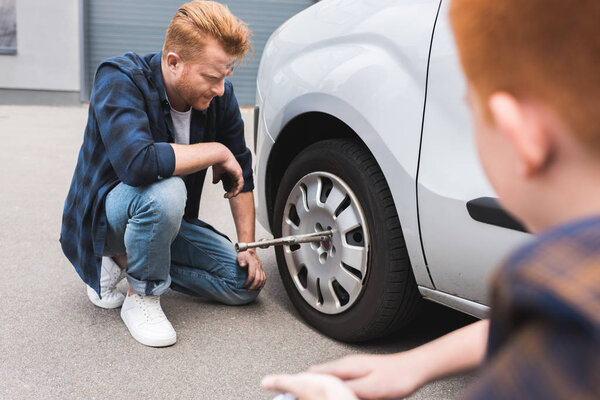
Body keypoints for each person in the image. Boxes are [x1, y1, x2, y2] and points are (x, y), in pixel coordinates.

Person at [262, 0, 600, 398]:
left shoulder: (555, 355)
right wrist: (415, 363)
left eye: (472, 113)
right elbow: (549, 317)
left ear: (519, 135)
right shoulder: (573, 275)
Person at [60, 0, 266, 348]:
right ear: (174, 62)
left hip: (161, 223)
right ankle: (141, 295)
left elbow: (241, 171)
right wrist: (217, 151)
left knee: (242, 284)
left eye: (225, 77)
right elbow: (137, 163)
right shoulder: (119, 78)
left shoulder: (220, 96)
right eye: (212, 77)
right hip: (106, 220)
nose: (220, 89)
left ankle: (131, 260)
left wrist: (247, 246)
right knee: (165, 190)